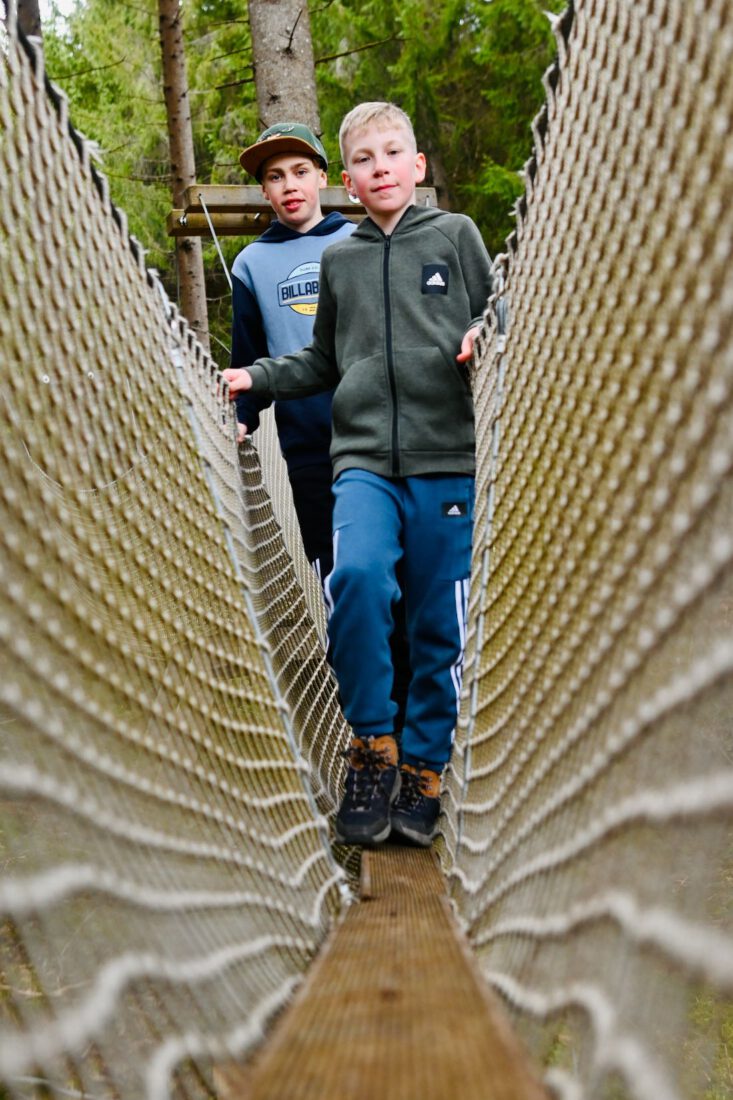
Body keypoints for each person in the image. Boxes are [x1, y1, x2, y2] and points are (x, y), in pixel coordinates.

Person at [223, 102, 492, 848]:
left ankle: (425, 767)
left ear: (417, 165)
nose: (379, 167)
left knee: (436, 620)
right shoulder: (338, 258)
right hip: (362, 458)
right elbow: (322, 361)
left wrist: (481, 332)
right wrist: (258, 378)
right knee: (359, 581)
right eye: (364, 159)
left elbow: (495, 313)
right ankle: (373, 745)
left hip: (445, 458)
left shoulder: (455, 236)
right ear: (349, 180)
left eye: (391, 153)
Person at [230, 121, 355, 582]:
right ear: (265, 191)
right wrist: (242, 413)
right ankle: (348, 654)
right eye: (275, 177)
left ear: (322, 176)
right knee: (331, 563)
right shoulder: (251, 264)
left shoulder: (359, 242)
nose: (290, 186)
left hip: (375, 429)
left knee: (387, 564)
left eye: (300, 171)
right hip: (306, 440)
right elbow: (249, 356)